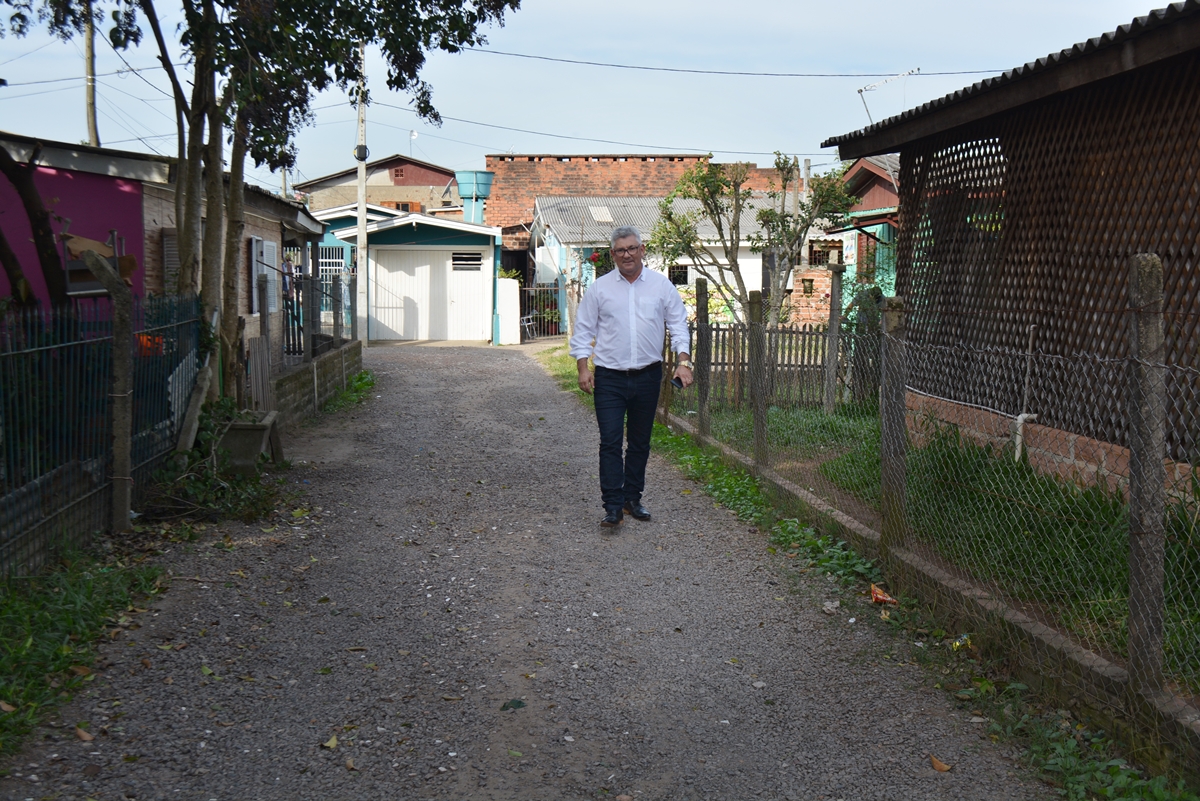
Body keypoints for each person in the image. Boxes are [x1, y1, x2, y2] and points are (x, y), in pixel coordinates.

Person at [570, 226, 693, 528]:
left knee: (640, 442)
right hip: (609, 378)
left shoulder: (662, 287)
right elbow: (583, 330)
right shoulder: (599, 289)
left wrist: (683, 361)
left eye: (632, 248)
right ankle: (612, 505)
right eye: (620, 250)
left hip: (648, 376)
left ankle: (632, 498)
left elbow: (678, 325)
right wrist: (583, 368)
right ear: (612, 255)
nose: (627, 254)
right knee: (610, 442)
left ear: (642, 250)